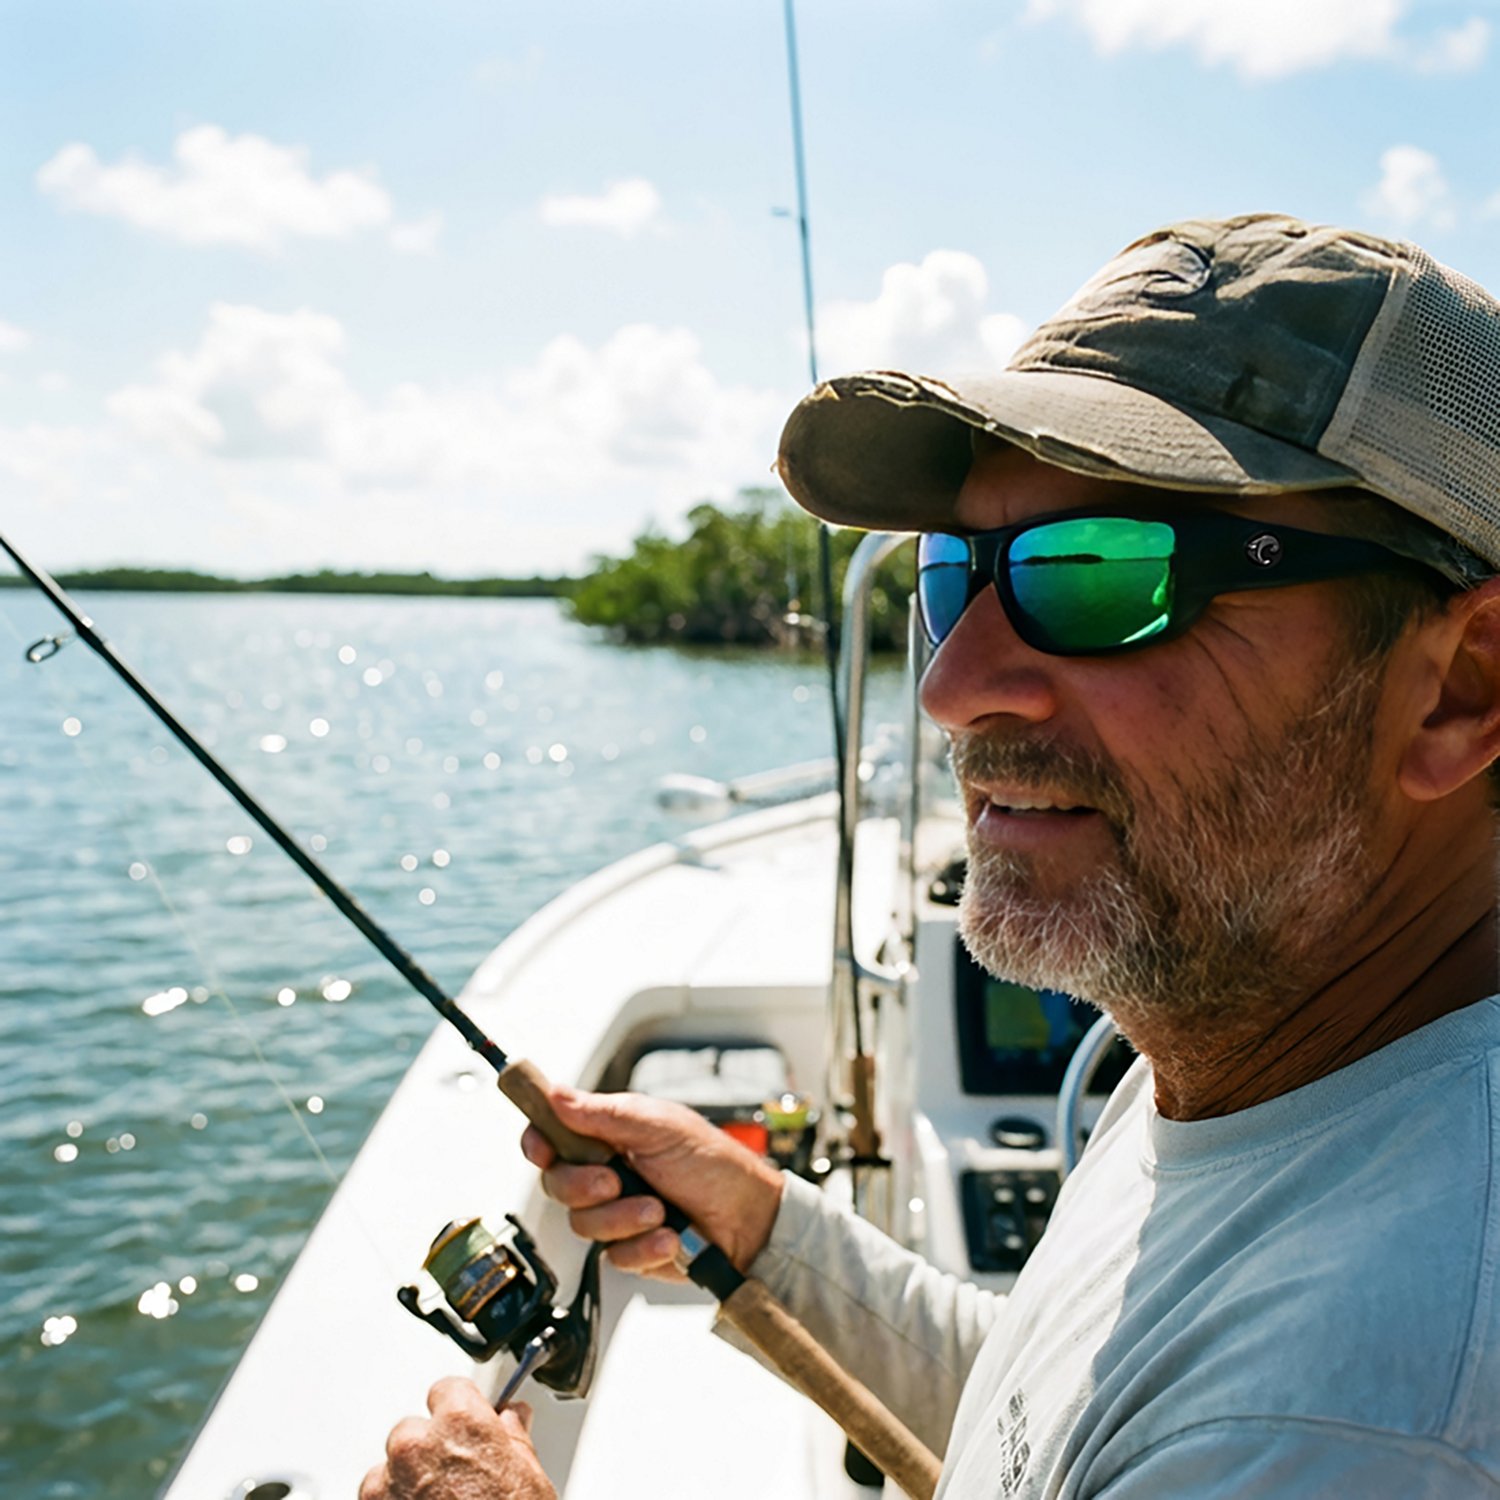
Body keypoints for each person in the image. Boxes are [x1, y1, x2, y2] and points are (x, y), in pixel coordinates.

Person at [361, 213, 1500, 1498]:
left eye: (1099, 574)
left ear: (1462, 686)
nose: (954, 685)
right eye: (958, 574)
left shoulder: (1373, 1424)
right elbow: (1060, 1425)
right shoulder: (1258, 1037)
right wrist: (769, 1235)